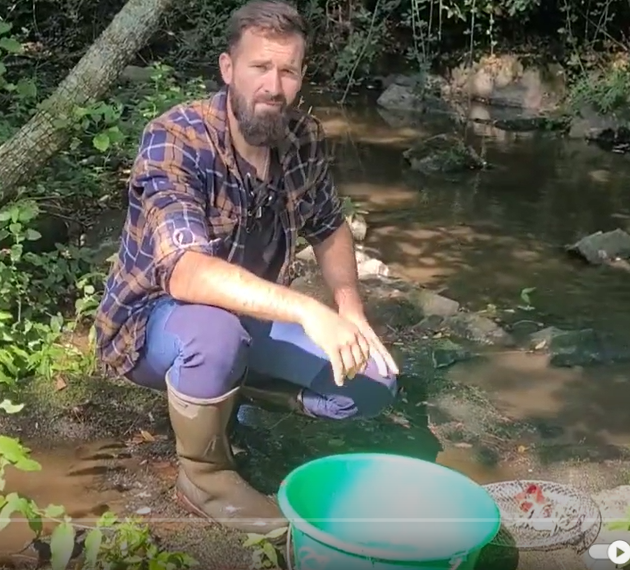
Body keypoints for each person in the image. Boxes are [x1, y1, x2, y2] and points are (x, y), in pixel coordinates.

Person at [93, 0, 401, 534]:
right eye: (260, 67)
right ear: (228, 68)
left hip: (250, 317)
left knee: (372, 384)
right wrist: (309, 309)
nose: (273, 86)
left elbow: (328, 226)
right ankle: (205, 476)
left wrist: (350, 312)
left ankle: (239, 388)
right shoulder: (177, 137)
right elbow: (187, 273)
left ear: (301, 76)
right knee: (215, 332)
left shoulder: (301, 135)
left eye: (288, 71)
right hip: (154, 323)